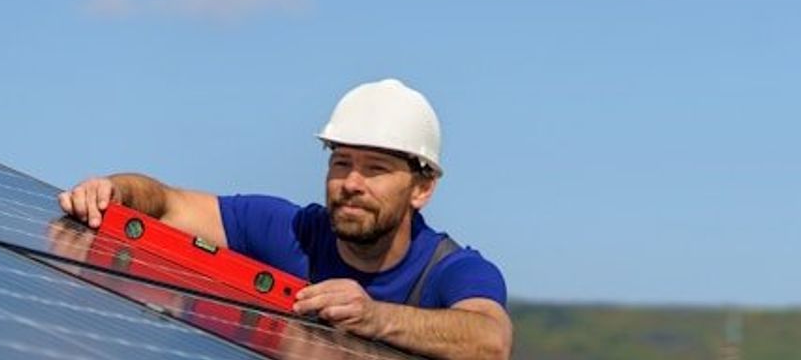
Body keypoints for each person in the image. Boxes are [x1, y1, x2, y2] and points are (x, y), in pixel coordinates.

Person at [58, 79, 512, 359]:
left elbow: (490, 341)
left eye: (375, 169)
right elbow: (166, 202)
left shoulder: (451, 270)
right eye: (341, 163)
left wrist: (374, 318)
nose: (352, 182)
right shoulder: (291, 231)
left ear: (422, 188)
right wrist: (114, 190)